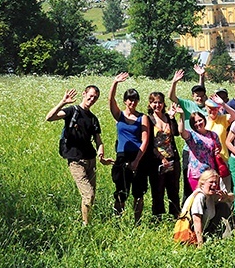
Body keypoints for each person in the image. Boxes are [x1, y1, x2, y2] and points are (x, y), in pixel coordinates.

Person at [45, 85, 113, 225]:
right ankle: (86, 226)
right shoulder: (72, 111)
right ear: (84, 94)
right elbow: (49, 117)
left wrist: (101, 154)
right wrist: (63, 102)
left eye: (95, 97)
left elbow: (99, 141)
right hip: (76, 160)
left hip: (91, 159)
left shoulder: (93, 118)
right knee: (89, 195)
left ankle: (86, 221)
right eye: (91, 95)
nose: (92, 99)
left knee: (90, 197)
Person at [109, 73, 150, 223]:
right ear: (125, 101)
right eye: (129, 99)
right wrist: (115, 83)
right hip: (122, 157)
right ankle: (117, 221)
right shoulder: (119, 115)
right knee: (121, 191)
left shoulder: (142, 117)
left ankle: (137, 222)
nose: (132, 102)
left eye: (135, 99)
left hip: (138, 157)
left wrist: (137, 161)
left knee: (138, 193)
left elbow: (145, 140)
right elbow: (110, 100)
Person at [169, 68, 209, 203]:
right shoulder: (188, 105)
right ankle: (186, 213)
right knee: (188, 183)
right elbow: (172, 97)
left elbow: (202, 90)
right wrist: (174, 82)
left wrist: (201, 77)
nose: (199, 97)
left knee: (206, 183)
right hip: (190, 151)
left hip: (206, 152)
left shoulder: (208, 107)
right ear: (192, 96)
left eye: (202, 95)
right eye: (196, 95)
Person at [147, 92, 181, 218]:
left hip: (172, 159)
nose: (157, 105)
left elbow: (176, 133)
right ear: (150, 104)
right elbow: (148, 143)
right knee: (158, 191)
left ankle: (176, 216)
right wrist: (161, 158)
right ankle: (158, 217)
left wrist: (172, 118)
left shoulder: (167, 117)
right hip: (156, 161)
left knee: (173, 190)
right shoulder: (148, 119)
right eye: (154, 102)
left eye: (160, 102)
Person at [183, 169, 234, 246]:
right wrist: (200, 244)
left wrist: (225, 196)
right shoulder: (199, 197)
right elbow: (197, 221)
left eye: (215, 182)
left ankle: (228, 238)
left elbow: (233, 198)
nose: (214, 185)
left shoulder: (210, 195)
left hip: (205, 230)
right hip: (191, 233)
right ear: (202, 183)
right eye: (211, 182)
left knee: (223, 206)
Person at [181, 111, 221, 192]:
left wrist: (218, 150)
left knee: (211, 200)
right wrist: (182, 115)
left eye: (200, 120)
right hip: (197, 173)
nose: (198, 123)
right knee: (199, 198)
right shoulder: (191, 135)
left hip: (211, 173)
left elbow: (218, 146)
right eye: (195, 122)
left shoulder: (213, 135)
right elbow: (181, 131)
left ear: (204, 120)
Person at [204, 94, 235, 191]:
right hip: (208, 160)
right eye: (210, 108)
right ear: (206, 108)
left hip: (222, 159)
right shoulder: (203, 121)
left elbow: (234, 115)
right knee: (210, 188)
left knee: (224, 188)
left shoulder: (223, 119)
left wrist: (223, 104)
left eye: (215, 108)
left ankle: (226, 206)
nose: (213, 111)